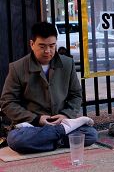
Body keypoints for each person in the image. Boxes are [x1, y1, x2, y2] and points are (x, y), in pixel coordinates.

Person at [0, 21, 98, 153]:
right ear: (32, 44)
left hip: (62, 122)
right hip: (31, 125)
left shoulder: (67, 63)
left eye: (52, 46)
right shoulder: (17, 68)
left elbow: (76, 95)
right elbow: (7, 102)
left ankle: (47, 140)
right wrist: (36, 119)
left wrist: (65, 115)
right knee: (16, 140)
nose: (48, 51)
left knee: (91, 134)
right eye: (42, 46)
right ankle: (59, 139)